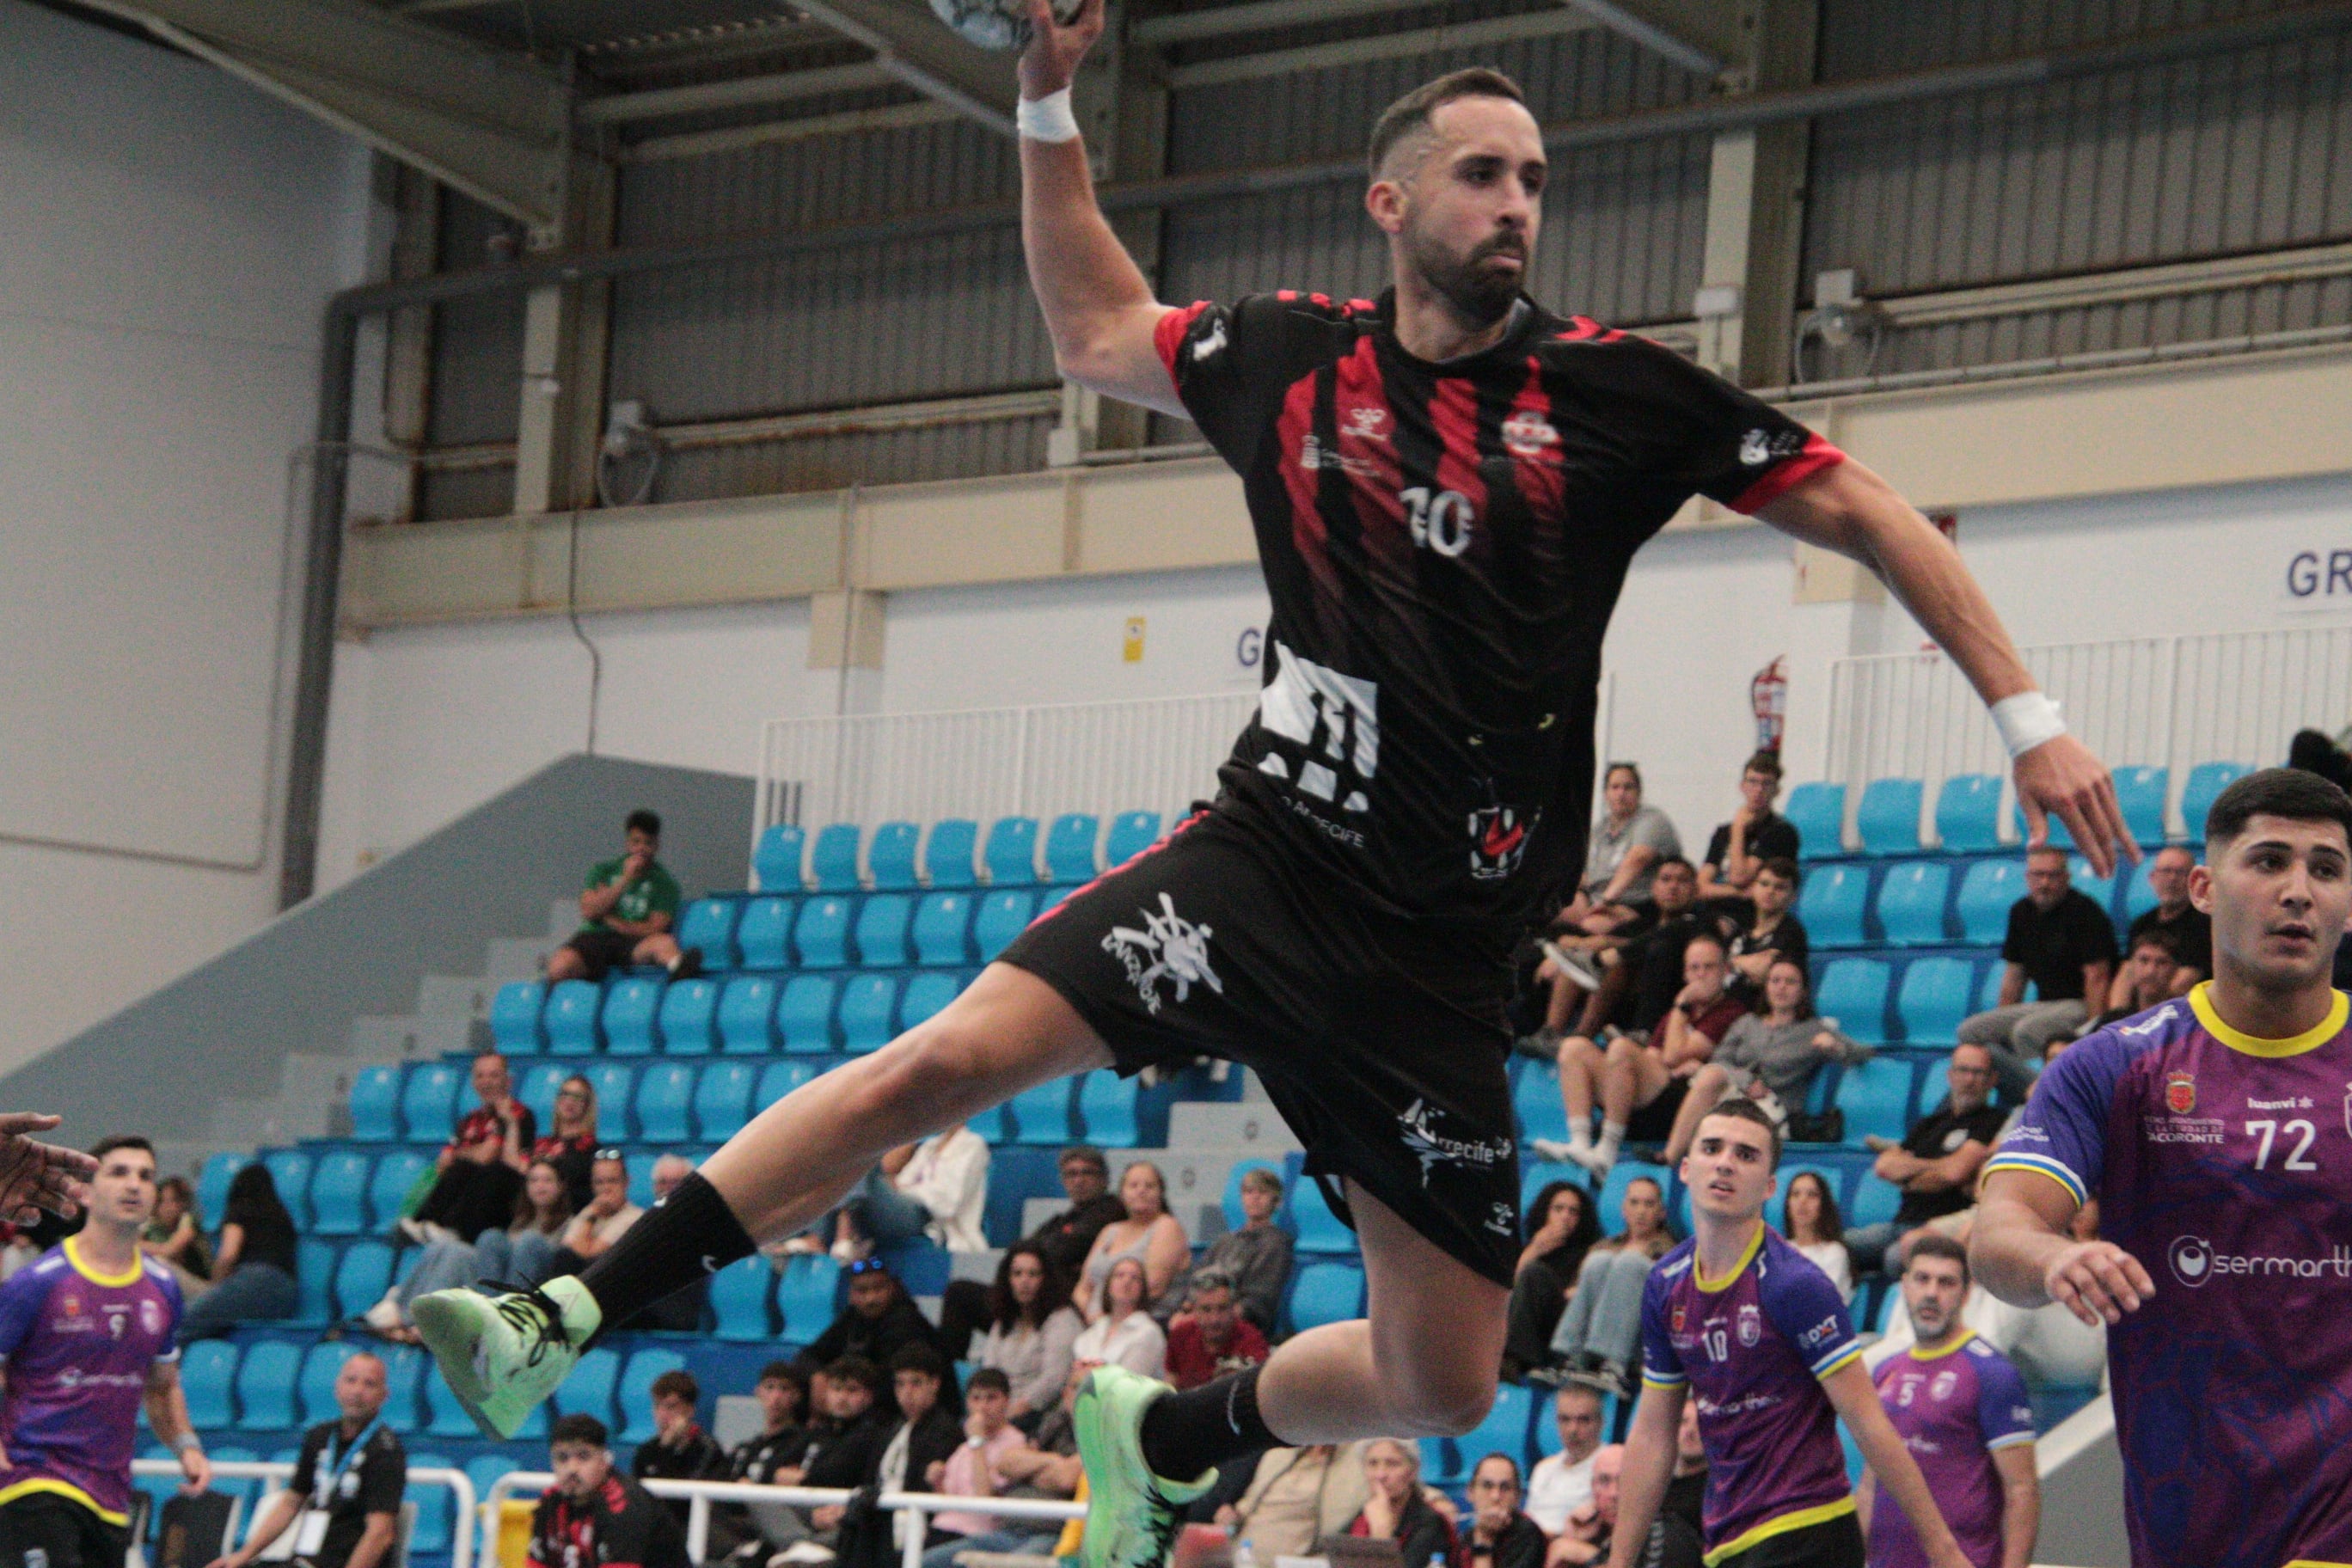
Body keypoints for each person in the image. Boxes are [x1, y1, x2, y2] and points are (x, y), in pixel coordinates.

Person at [413, 42, 2131, 1568]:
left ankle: (1177, 1441)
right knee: (933, 1062)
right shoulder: (1286, 361)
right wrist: (1046, 96)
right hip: (1262, 868)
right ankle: (560, 1306)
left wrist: (2027, 714)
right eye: (1482, 171)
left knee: (1443, 1383)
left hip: (1440, 968)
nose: (1517, 200)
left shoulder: (1609, 397)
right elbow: (1092, 323)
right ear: (1390, 201)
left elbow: (1870, 509)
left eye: (1535, 176)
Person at [1974, 768, 2352, 1568]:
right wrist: (2058, 1255)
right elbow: (1998, 1235)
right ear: (2207, 889)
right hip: (2191, 1508)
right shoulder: (2114, 1067)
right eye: (2270, 861)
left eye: (2326, 869)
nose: (2298, 891)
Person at [1611, 1100, 1971, 1568]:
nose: (1725, 1162)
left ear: (1769, 1186)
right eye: (1712, 1148)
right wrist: (1619, 1561)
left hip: (1809, 1528)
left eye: (1746, 1155)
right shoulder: (1665, 1284)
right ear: (1684, 1168)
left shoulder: (1794, 1285)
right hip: (1725, 1537)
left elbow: (1868, 1421)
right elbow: (1654, 1433)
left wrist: (1943, 1551)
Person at [0, 1136, 208, 1568]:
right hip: (34, 1480)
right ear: (86, 1192)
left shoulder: (163, 1288)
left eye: (145, 1176)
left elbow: (162, 1385)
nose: (134, 1185)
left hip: (110, 1493)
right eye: (119, 1173)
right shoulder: (38, 1282)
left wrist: (186, 1446)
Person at [1858, 1236, 2036, 1568]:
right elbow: (1871, 1482)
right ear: (1904, 1287)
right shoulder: (1886, 1370)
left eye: (1946, 1282)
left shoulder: (1991, 1373)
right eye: (1922, 1279)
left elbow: (2021, 1491)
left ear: (1966, 1294)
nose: (1931, 1293)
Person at [1534, 933, 1745, 1175]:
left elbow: (1673, 1056)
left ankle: (1607, 1150)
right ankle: (1580, 1143)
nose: (1700, 974)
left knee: (1622, 1048)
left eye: (1709, 967)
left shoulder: (1729, 1011)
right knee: (1574, 1048)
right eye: (1694, 968)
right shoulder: (1676, 1014)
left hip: (1684, 1105)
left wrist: (1682, 1005)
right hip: (1653, 1093)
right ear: (1685, 974)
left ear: (1725, 970)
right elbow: (1655, 1056)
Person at [1658, 957, 1868, 1167]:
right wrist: (1746, 1080)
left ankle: (1673, 1158)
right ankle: (1672, 1157)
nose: (1781, 987)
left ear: (1803, 991)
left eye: (1790, 982)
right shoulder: (1747, 1023)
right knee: (1710, 1076)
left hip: (1776, 1110)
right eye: (1775, 981)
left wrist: (1836, 1047)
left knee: (1711, 1081)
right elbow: (1719, 1060)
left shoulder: (1813, 1029)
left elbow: (1863, 1053)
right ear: (1766, 988)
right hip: (1737, 1095)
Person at [205, 1351, 406, 1568]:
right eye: (350, 1380)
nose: (357, 1391)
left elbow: (380, 1533)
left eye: (369, 1384)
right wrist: (241, 1557)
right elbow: (291, 1503)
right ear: (337, 1387)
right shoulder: (319, 1437)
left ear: (384, 1395)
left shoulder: (386, 1451)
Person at [1956, 849, 2116, 1104]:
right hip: (2042, 1006)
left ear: (2067, 877)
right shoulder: (2020, 912)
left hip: (2077, 1004)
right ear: (2027, 877)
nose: (2045, 883)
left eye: (2052, 876)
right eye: (2038, 875)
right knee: (1971, 1031)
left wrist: (2094, 1031)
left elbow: (2097, 976)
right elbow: (2015, 976)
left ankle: (2041, 1096)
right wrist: (2001, 1025)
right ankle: (2019, 1089)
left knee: (2025, 1031)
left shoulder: (2086, 912)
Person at [1843, 1045, 2007, 1275]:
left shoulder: (1993, 1121)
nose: (1969, 1080)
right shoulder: (1930, 1123)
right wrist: (1941, 1168)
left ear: (1992, 1080)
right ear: (1950, 1075)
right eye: (1963, 1070)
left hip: (1941, 1228)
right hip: (1898, 1224)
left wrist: (1910, 1174)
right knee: (1837, 1247)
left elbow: (1955, 1173)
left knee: (1894, 1257)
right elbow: (1884, 1167)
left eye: (1978, 1072)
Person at [1539, 1175, 1675, 1394]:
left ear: (1662, 1212)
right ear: (1624, 1209)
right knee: (1599, 1261)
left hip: (1641, 1342)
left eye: (1649, 1204)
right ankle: (1572, 1358)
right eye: (1634, 1203)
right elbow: (1574, 1292)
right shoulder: (1604, 1247)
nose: (1641, 1211)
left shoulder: (1671, 1252)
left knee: (1629, 1262)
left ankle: (1614, 1367)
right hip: (1589, 1333)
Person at [548, 809, 701, 984]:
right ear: (628, 843)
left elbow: (655, 927)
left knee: (664, 943)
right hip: (595, 936)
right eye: (636, 842)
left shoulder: (665, 884)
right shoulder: (604, 871)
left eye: (648, 843)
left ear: (657, 846)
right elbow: (589, 911)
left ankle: (680, 970)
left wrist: (614, 921)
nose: (641, 848)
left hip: (632, 943)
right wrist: (625, 879)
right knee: (559, 967)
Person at [402, 1052, 536, 1246]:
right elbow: (444, 1162)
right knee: (459, 1169)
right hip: (470, 1191)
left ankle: (452, 1229)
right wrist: (462, 1155)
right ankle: (426, 1222)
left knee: (480, 1169)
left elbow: (486, 1156)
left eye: (493, 1075)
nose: (486, 1082)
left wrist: (460, 1154)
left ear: (508, 1081)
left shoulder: (518, 1114)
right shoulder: (469, 1119)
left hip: (501, 1197)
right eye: (480, 1076)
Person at [529, 1414, 690, 1568]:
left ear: (604, 1461)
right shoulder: (550, 1503)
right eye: (562, 1458)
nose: (572, 1469)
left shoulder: (624, 1507)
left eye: (584, 1456)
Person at [917, 1366, 1036, 1567]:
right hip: (942, 1529)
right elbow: (947, 1502)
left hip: (979, 1534)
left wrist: (977, 1443)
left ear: (1006, 1401)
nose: (983, 1406)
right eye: (976, 1399)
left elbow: (984, 1500)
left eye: (991, 1398)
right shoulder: (964, 1447)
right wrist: (936, 1481)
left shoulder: (1015, 1443)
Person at [827, 1121, 991, 1259]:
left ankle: (845, 1232)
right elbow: (903, 1181)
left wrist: (909, 1189)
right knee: (844, 1157)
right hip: (906, 1204)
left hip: (927, 1218)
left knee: (865, 1158)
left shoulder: (973, 1145)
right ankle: (823, 1236)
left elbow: (949, 1202)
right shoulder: (930, 1146)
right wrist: (904, 1187)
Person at [179, 1160, 297, 1341]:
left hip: (253, 1282)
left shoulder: (240, 1209)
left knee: (182, 1322)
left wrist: (214, 1286)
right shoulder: (283, 1217)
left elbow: (228, 1255)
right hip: (286, 1294)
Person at [971, 1242, 1085, 1424]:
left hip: (1040, 1415)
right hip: (999, 1412)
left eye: (1033, 1274)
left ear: (1045, 1278)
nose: (1025, 1281)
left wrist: (1010, 1414)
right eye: (1017, 1274)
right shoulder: (1004, 1322)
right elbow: (990, 1373)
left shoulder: (1063, 1319)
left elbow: (1054, 1380)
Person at [1170, 1166, 1292, 1334]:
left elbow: (1257, 1302)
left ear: (1276, 1201)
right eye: (1249, 1192)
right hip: (1205, 1316)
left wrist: (1200, 1318)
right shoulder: (1225, 1241)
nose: (1255, 1197)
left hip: (1241, 1326)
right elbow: (1196, 1279)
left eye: (1262, 1192)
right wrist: (1185, 1310)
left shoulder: (1276, 1244)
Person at [799, 1261, 940, 1401]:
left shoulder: (907, 1322)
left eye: (878, 1289)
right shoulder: (852, 1318)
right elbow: (809, 1355)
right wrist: (817, 1376)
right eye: (862, 1291)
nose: (871, 1298)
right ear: (851, 1294)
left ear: (892, 1289)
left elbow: (891, 1381)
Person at [1502, 1184, 1601, 1383]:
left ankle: (1514, 1359)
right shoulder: (1527, 1249)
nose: (1565, 1216)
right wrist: (1535, 1250)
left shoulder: (1591, 1252)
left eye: (1573, 1211)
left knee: (1533, 1274)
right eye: (1558, 1209)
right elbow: (1505, 1290)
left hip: (1565, 1325)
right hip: (1527, 1322)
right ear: (1544, 1212)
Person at [713, 1363, 811, 1564]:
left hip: (776, 1530)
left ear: (796, 1396)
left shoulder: (804, 1442)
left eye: (784, 1389)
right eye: (770, 1387)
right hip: (734, 1527)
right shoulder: (746, 1448)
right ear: (758, 1392)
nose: (776, 1397)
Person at [1210, 1441, 1370, 1561]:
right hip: (1240, 1555)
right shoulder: (1279, 1453)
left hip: (1297, 1560)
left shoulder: (1357, 1464)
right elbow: (1248, 1504)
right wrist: (1232, 1516)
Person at [1571, 766, 1684, 932]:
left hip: (1636, 904)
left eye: (1628, 787)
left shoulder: (1652, 820)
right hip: (1594, 898)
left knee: (1591, 924)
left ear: (1639, 792)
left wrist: (1605, 902)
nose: (1621, 793)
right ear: (1606, 793)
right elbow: (1585, 873)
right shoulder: (1600, 829)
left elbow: (1637, 859)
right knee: (1551, 913)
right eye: (1615, 787)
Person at [879, 1345, 968, 1554]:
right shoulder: (892, 1428)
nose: (906, 1392)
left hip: (913, 1524)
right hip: (881, 1519)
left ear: (934, 1384)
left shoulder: (946, 1432)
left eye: (916, 1383)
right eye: (900, 1384)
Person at [1073, 1162, 1187, 1319]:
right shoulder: (1109, 1231)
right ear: (1122, 1194)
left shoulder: (1167, 1226)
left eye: (1149, 1186)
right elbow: (1083, 1287)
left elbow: (1152, 1288)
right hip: (1091, 1323)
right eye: (1133, 1186)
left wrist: (1105, 1321)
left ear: (1160, 1194)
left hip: (1140, 1321)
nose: (1141, 1191)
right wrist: (1086, 1317)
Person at [1558, 1444, 1700, 1568]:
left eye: (1624, 1480)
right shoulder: (1594, 1532)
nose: (1614, 1493)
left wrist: (1588, 1555)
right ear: (1593, 1488)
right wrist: (1572, 1538)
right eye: (1604, 1481)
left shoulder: (1667, 1533)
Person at [2105, 844, 2209, 1008]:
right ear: (2152, 877)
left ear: (2193, 881)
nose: (2172, 878)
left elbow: (2182, 985)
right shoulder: (2141, 924)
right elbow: (2125, 976)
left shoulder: (2204, 925)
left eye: (2180, 873)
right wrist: (2116, 1018)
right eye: (2166, 871)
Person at [1694, 755, 1801, 906]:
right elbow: (1699, 889)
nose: (1758, 790)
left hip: (1751, 914)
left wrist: (1738, 829)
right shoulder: (1723, 832)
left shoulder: (1782, 832)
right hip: (1714, 911)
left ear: (1777, 791)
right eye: (1753, 782)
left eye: (1767, 784)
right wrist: (1738, 893)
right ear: (1742, 786)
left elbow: (1739, 878)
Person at [631, 1369, 725, 1526]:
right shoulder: (646, 1451)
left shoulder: (707, 1450)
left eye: (670, 1407)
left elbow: (682, 1504)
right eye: (657, 1406)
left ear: (689, 1410)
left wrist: (669, 1450)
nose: (662, 1414)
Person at [1349, 1439, 1458, 1566]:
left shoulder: (1431, 1522)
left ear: (1413, 1471)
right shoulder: (1362, 1517)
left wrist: (1381, 1536)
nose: (1381, 1474)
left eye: (1392, 1464)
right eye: (1373, 1464)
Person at [1163, 1271, 1269, 1391]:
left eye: (1222, 1308)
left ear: (1234, 1308)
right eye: (1206, 1309)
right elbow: (1170, 1384)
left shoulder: (1251, 1340)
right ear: (1193, 1310)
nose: (1215, 1319)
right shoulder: (1181, 1335)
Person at [1523, 1385, 1603, 1538]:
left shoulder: (1612, 1468)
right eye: (1565, 1420)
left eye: (1583, 1420)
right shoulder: (1543, 1469)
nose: (1573, 1429)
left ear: (1600, 1422)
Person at [1721, 861, 1807, 1003]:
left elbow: (1764, 971)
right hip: (1727, 1010)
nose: (1770, 891)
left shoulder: (1791, 931)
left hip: (1763, 1016)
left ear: (1793, 897)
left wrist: (1728, 961)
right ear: (1753, 888)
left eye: (1780, 887)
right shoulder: (1741, 928)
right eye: (1764, 884)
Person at [1071, 1257, 1166, 1379]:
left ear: (1143, 1289)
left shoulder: (1148, 1333)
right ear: (1108, 1284)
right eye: (1119, 1275)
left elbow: (1130, 1382)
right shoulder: (1092, 1332)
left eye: (1135, 1278)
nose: (1127, 1281)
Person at [552, 1152, 640, 1274]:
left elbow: (588, 1254)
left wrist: (592, 1216)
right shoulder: (589, 1211)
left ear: (626, 1182)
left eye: (612, 1181)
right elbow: (567, 1250)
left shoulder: (634, 1216)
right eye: (599, 1182)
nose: (606, 1188)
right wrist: (592, 1214)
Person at [530, 1075, 603, 1210]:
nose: (570, 1101)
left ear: (587, 1104)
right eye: (565, 1094)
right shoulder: (541, 1144)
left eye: (578, 1096)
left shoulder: (592, 1149)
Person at [1777, 1170, 1851, 1302]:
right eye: (1795, 1194)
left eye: (1812, 1195)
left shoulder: (1834, 1252)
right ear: (1788, 1205)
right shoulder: (1777, 1251)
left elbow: (1823, 1304)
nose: (1803, 1201)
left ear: (1823, 1205)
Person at [1464, 1455, 1547, 1568]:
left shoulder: (1528, 1535)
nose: (1496, 1496)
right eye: (1487, 1486)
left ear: (1518, 1496)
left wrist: (1483, 1546)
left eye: (1505, 1487)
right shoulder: (1465, 1537)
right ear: (1470, 1492)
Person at [2088, 928, 2180, 1030]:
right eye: (2144, 960)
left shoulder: (2184, 1021)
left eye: (2162, 962)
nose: (2150, 971)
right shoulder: (2113, 1021)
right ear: (2131, 965)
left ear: (2175, 969)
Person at [144, 1174, 211, 1301]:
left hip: (202, 1288)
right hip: (179, 1287)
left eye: (174, 1201)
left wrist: (130, 1244)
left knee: (158, 1263)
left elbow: (169, 1250)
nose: (169, 1207)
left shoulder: (189, 1222)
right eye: (163, 1201)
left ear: (184, 1203)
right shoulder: (153, 1227)